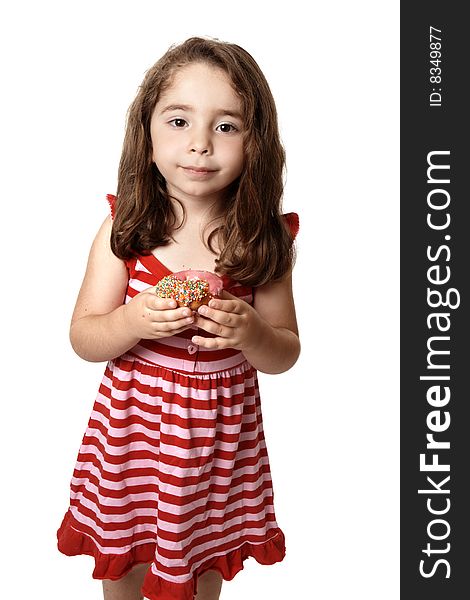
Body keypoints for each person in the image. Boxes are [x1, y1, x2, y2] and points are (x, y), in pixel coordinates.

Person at [57, 36, 300, 600]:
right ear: (145, 135)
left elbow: (286, 351)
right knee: (126, 566)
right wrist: (133, 321)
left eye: (226, 126)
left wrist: (252, 334)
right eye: (178, 120)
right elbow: (85, 335)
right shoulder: (128, 228)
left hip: (217, 447)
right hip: (133, 437)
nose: (198, 145)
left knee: (198, 566)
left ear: (256, 143)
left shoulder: (263, 240)